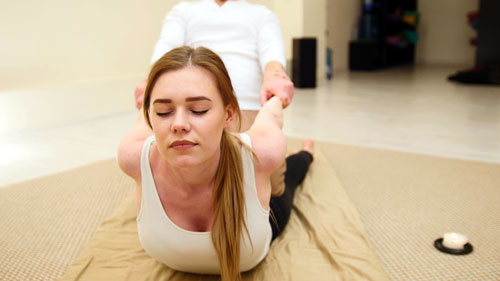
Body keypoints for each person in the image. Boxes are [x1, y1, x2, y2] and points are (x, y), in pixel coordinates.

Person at [118, 46, 313, 281]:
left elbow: (270, 115)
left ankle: (306, 152)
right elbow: (143, 114)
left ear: (228, 115)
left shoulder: (263, 151)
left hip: (259, 196)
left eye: (198, 110)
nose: (178, 124)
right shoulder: (133, 157)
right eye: (163, 111)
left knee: (290, 175)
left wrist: (278, 96)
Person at [134, 0, 294, 132]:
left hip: (246, 107)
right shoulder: (183, 11)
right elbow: (167, 45)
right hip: (191, 108)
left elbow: (271, 47)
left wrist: (275, 74)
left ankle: (304, 155)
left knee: (263, 160)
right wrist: (151, 79)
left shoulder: (262, 14)